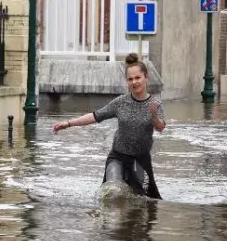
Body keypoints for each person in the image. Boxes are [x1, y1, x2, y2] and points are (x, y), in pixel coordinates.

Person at [52, 53, 166, 199]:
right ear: (127, 82)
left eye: (138, 78)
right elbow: (96, 115)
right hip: (117, 157)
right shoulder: (120, 102)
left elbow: (161, 127)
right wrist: (68, 123)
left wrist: (154, 117)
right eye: (130, 79)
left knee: (147, 201)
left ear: (146, 78)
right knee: (112, 191)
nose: (134, 82)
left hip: (140, 160)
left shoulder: (155, 104)